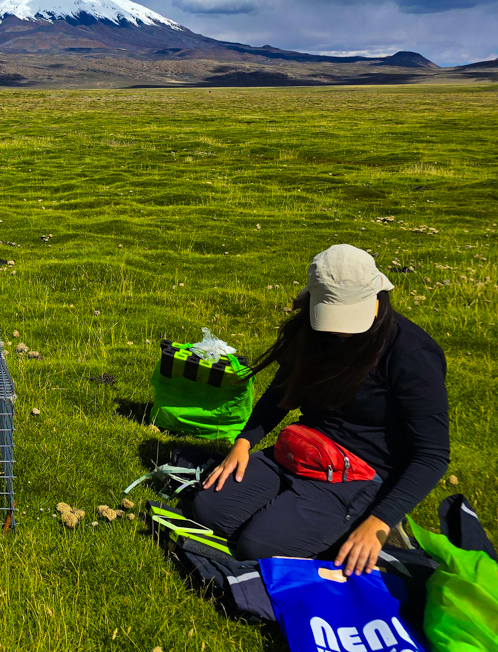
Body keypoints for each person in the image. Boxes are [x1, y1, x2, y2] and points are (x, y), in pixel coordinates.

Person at [191, 244, 450, 575]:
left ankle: (368, 519)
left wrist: (380, 520)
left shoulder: (412, 354)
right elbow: (281, 392)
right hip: (306, 449)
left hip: (363, 472)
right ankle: (304, 516)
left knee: (259, 547)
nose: (340, 330)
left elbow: (432, 454)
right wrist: (243, 444)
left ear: (378, 295)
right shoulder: (312, 332)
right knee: (209, 508)